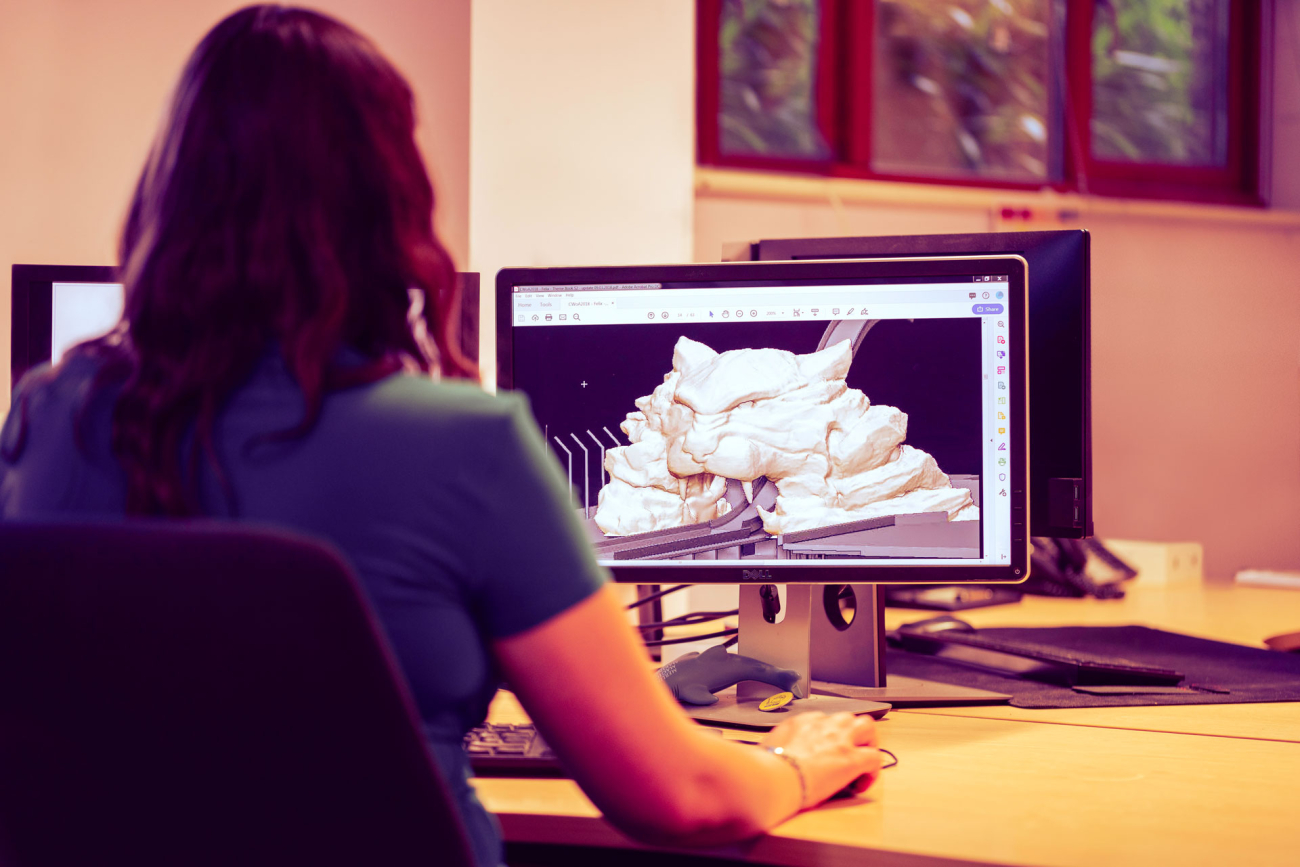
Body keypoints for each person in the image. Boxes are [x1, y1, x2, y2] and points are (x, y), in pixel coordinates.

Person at [0, 6, 881, 866]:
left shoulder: (48, 416)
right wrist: (798, 760)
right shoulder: (464, 445)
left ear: (168, 200)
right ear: (390, 204)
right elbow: (680, 797)